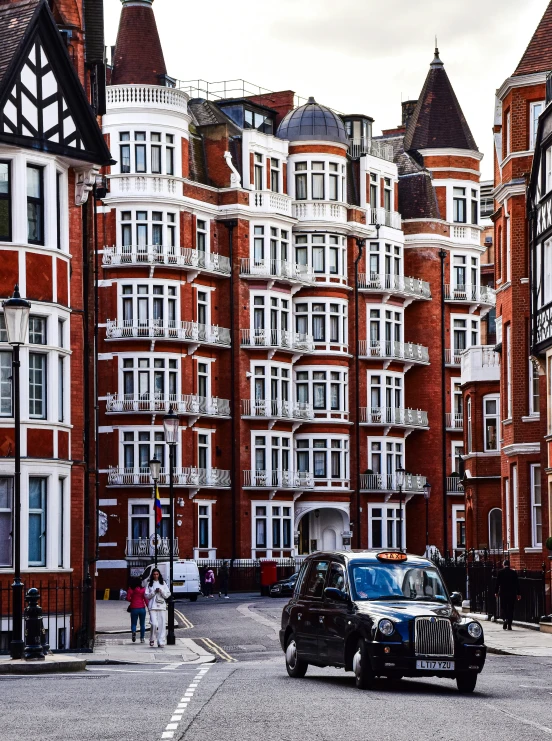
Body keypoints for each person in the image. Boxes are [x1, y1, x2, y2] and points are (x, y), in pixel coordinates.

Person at [145, 568, 171, 647]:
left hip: (161, 606)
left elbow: (167, 594)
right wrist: (154, 592)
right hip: (152, 606)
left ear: (159, 575)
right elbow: (146, 596)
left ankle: (161, 641)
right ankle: (152, 638)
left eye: (157, 574)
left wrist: (161, 591)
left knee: (162, 624)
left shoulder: (163, 583)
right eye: (154, 574)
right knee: (154, 624)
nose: (156, 576)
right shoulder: (149, 584)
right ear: (152, 575)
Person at [495, 559, 521, 630]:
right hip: (512, 593)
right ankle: (509, 624)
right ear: (509, 565)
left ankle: (505, 619)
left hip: (503, 593)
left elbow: (497, 583)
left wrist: (496, 592)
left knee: (503, 607)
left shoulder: (500, 572)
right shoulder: (514, 573)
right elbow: (517, 584)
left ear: (503, 565)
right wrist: (518, 594)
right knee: (511, 608)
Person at [126, 576, 148, 644]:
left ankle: (134, 631)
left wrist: (132, 600)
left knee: (133, 623)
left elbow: (127, 598)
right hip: (142, 608)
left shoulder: (131, 589)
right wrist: (148, 607)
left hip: (134, 608)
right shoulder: (143, 590)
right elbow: (145, 599)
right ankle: (142, 638)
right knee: (142, 624)